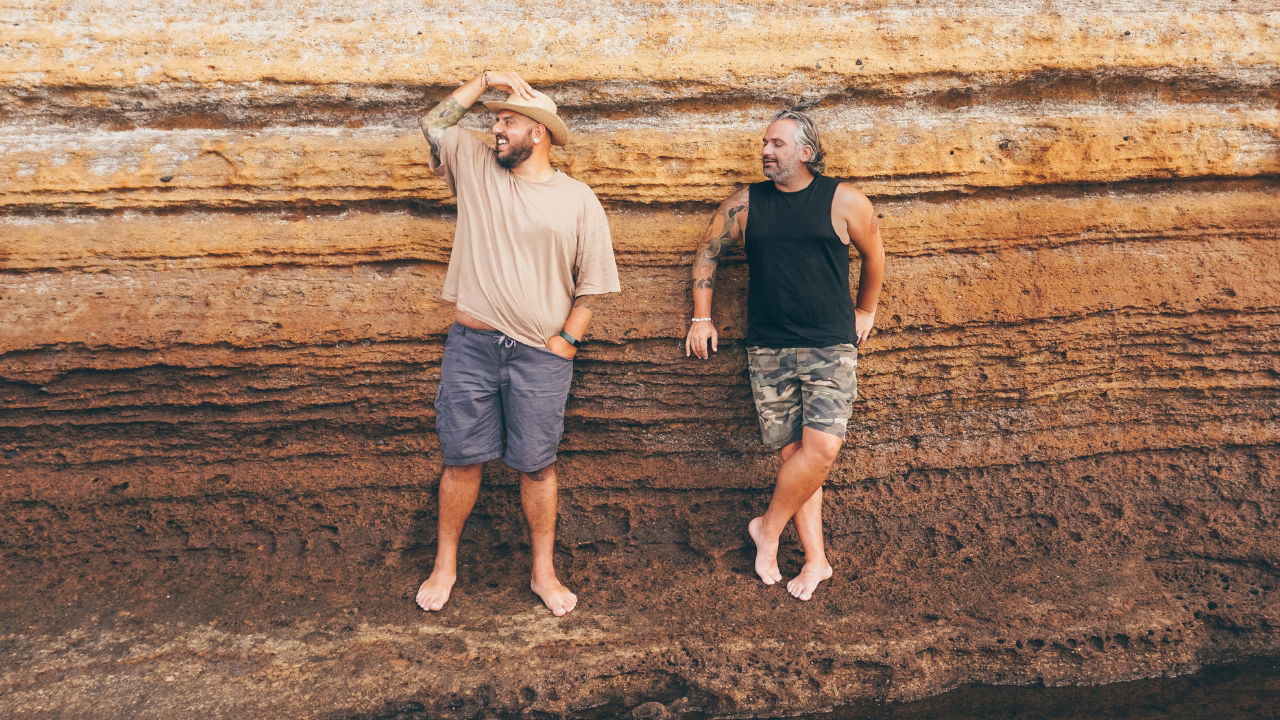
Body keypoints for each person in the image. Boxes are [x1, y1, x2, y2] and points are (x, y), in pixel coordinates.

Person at [414, 71, 620, 617]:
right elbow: (435, 123)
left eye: (508, 121)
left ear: (540, 132)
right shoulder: (477, 168)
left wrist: (567, 341)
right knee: (461, 461)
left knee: (537, 466)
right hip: (473, 347)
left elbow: (593, 283)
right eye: (495, 120)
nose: (497, 130)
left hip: (540, 356)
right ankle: (445, 565)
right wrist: (483, 82)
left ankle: (543, 573)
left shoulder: (577, 199)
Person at [685, 109, 885, 601]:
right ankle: (817, 561)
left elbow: (874, 255)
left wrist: (866, 310)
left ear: (805, 152)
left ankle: (767, 529)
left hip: (829, 345)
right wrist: (701, 317)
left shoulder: (844, 200)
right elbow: (708, 252)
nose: (766, 151)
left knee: (822, 450)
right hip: (768, 347)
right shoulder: (746, 204)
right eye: (764, 143)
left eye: (776, 144)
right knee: (797, 459)